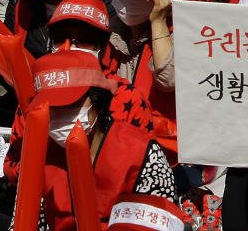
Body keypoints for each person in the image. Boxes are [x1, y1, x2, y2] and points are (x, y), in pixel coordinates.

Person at [30, 50, 176, 228]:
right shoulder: (39, 156)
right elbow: (28, 220)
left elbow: (158, 221)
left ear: (96, 102)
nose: (61, 114)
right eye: (52, 107)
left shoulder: (141, 152)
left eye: (72, 104)